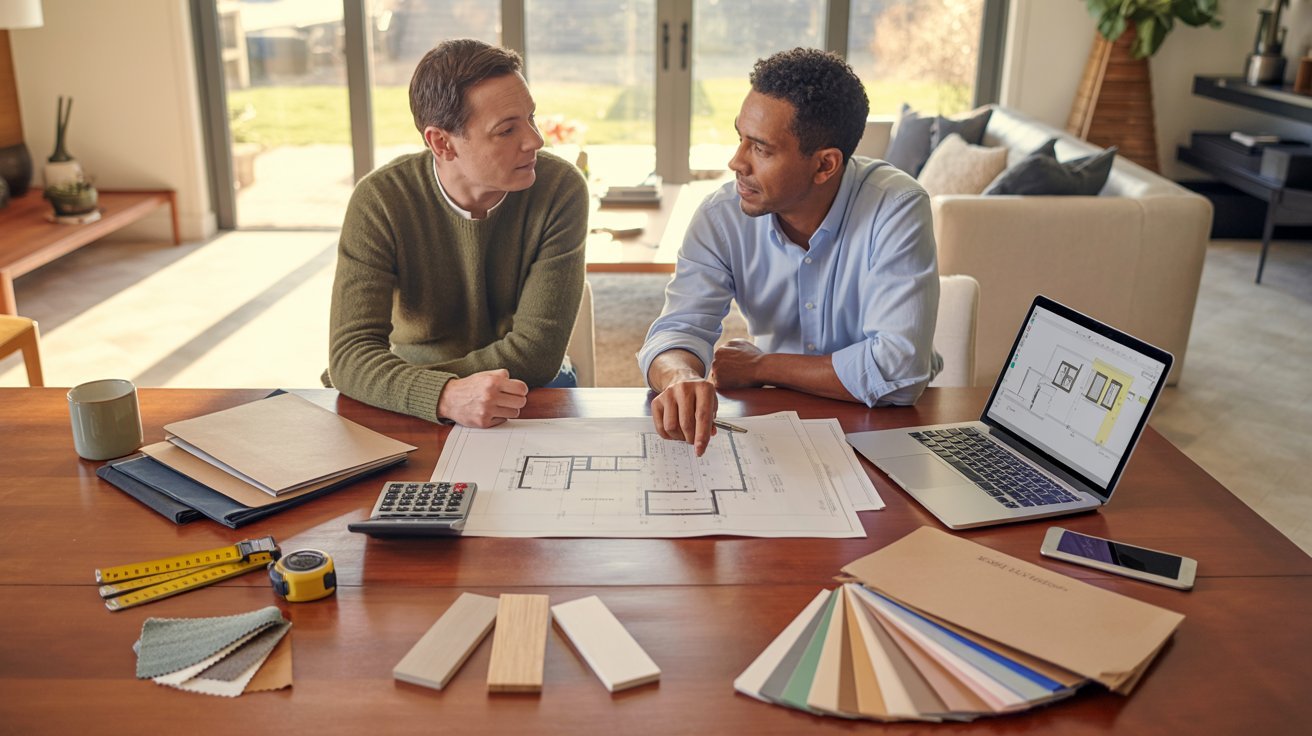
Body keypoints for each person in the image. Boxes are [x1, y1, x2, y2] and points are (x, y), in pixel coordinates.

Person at [638, 48, 941, 455]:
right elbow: (676, 332)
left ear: (824, 166)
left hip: (883, 428)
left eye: (760, 149)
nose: (736, 162)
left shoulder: (896, 207)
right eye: (739, 138)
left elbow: (899, 374)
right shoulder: (720, 216)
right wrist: (680, 378)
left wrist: (763, 366)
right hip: (776, 423)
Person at [328, 39, 588, 428]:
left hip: (526, 389)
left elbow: (536, 354)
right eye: (506, 130)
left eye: (531, 118)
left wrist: (387, 381)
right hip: (414, 396)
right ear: (441, 143)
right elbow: (349, 355)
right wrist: (445, 395)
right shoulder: (380, 200)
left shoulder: (559, 189)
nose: (535, 140)